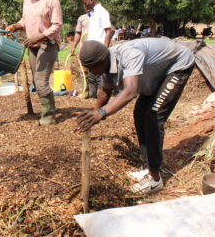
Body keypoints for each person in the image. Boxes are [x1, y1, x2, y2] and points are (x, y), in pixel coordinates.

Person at [76, 38, 195, 194]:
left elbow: (131, 91)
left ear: (101, 61)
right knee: (139, 114)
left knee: (153, 116)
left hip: (177, 66)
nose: (90, 72)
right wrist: (94, 113)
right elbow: (105, 91)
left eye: (91, 68)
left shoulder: (129, 54)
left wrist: (102, 113)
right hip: (158, 73)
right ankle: (147, 168)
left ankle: (155, 179)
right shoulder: (106, 65)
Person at [6, 0, 63, 125]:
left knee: (40, 80)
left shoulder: (51, 0)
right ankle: (47, 110)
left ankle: (49, 117)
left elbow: (57, 25)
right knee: (37, 81)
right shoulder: (27, 0)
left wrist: (39, 37)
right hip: (32, 47)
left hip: (48, 44)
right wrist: (15, 26)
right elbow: (25, 20)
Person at [80, 0, 112, 98]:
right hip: (92, 49)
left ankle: (102, 97)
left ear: (91, 0)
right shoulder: (93, 13)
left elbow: (108, 31)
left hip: (99, 49)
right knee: (91, 74)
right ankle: (92, 96)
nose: (85, 6)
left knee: (100, 75)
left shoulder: (103, 12)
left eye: (86, 3)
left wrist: (105, 49)